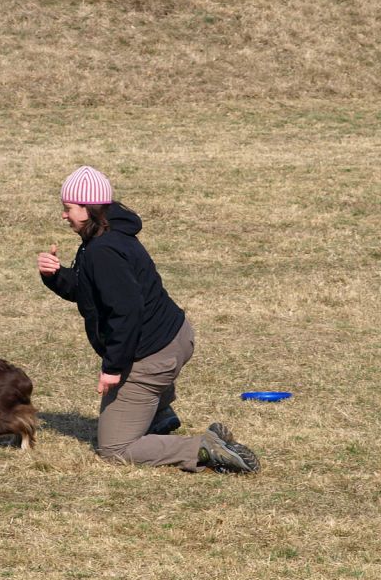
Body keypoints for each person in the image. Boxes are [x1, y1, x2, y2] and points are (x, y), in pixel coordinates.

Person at [36, 165, 260, 474]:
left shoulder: (103, 249)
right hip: (176, 337)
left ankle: (204, 448)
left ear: (88, 208)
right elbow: (89, 291)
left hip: (154, 354)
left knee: (116, 449)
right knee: (133, 396)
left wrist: (113, 368)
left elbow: (126, 313)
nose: (64, 215)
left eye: (68, 208)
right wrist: (55, 275)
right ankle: (157, 413)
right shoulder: (107, 235)